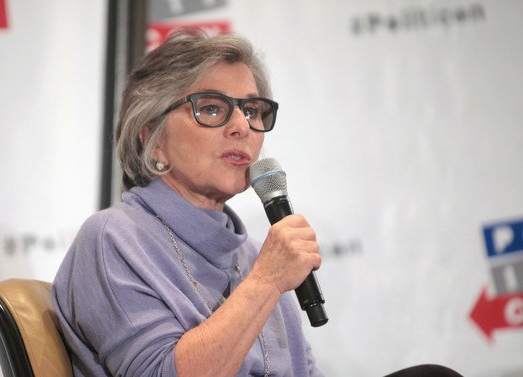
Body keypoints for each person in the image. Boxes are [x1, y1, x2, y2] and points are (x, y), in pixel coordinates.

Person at [51, 29, 324, 376]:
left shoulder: (256, 256)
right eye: (211, 108)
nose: (242, 126)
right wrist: (266, 282)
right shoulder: (114, 239)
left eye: (252, 110)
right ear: (152, 137)